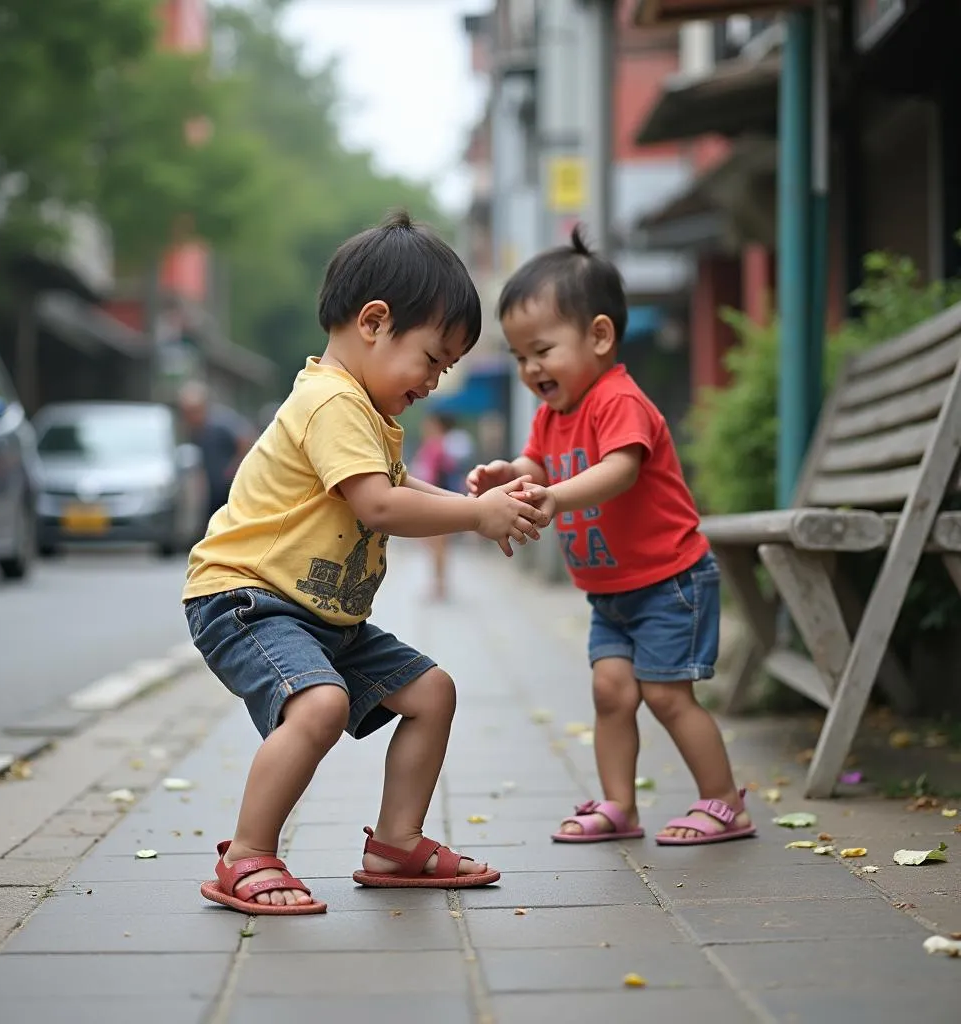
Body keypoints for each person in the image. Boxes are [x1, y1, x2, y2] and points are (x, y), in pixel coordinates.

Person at [182, 211, 550, 915]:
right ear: (375, 322)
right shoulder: (330, 401)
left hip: (324, 614)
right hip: (248, 597)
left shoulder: (366, 412)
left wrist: (470, 499)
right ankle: (249, 854)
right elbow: (379, 507)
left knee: (430, 693)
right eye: (433, 358)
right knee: (319, 707)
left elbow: (397, 489)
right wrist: (476, 517)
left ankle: (395, 842)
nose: (436, 381)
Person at [467, 225, 755, 847]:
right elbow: (538, 465)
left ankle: (726, 801)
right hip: (612, 590)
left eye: (541, 349)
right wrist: (510, 474)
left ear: (599, 335)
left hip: (669, 579)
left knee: (666, 695)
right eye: (519, 356)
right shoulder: (553, 415)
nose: (530, 368)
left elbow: (619, 470)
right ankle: (619, 805)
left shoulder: (617, 399)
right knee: (609, 691)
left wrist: (553, 496)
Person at [177, 380, 256, 527]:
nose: (188, 417)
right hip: (211, 489)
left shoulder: (221, 422)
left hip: (228, 486)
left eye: (191, 411)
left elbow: (245, 439)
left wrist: (235, 467)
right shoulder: (195, 430)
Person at [409, 414, 457, 600]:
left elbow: (432, 475)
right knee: (437, 546)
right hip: (434, 499)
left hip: (434, 501)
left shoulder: (436, 447)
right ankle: (439, 583)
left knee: (438, 546)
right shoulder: (436, 446)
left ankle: (439, 584)